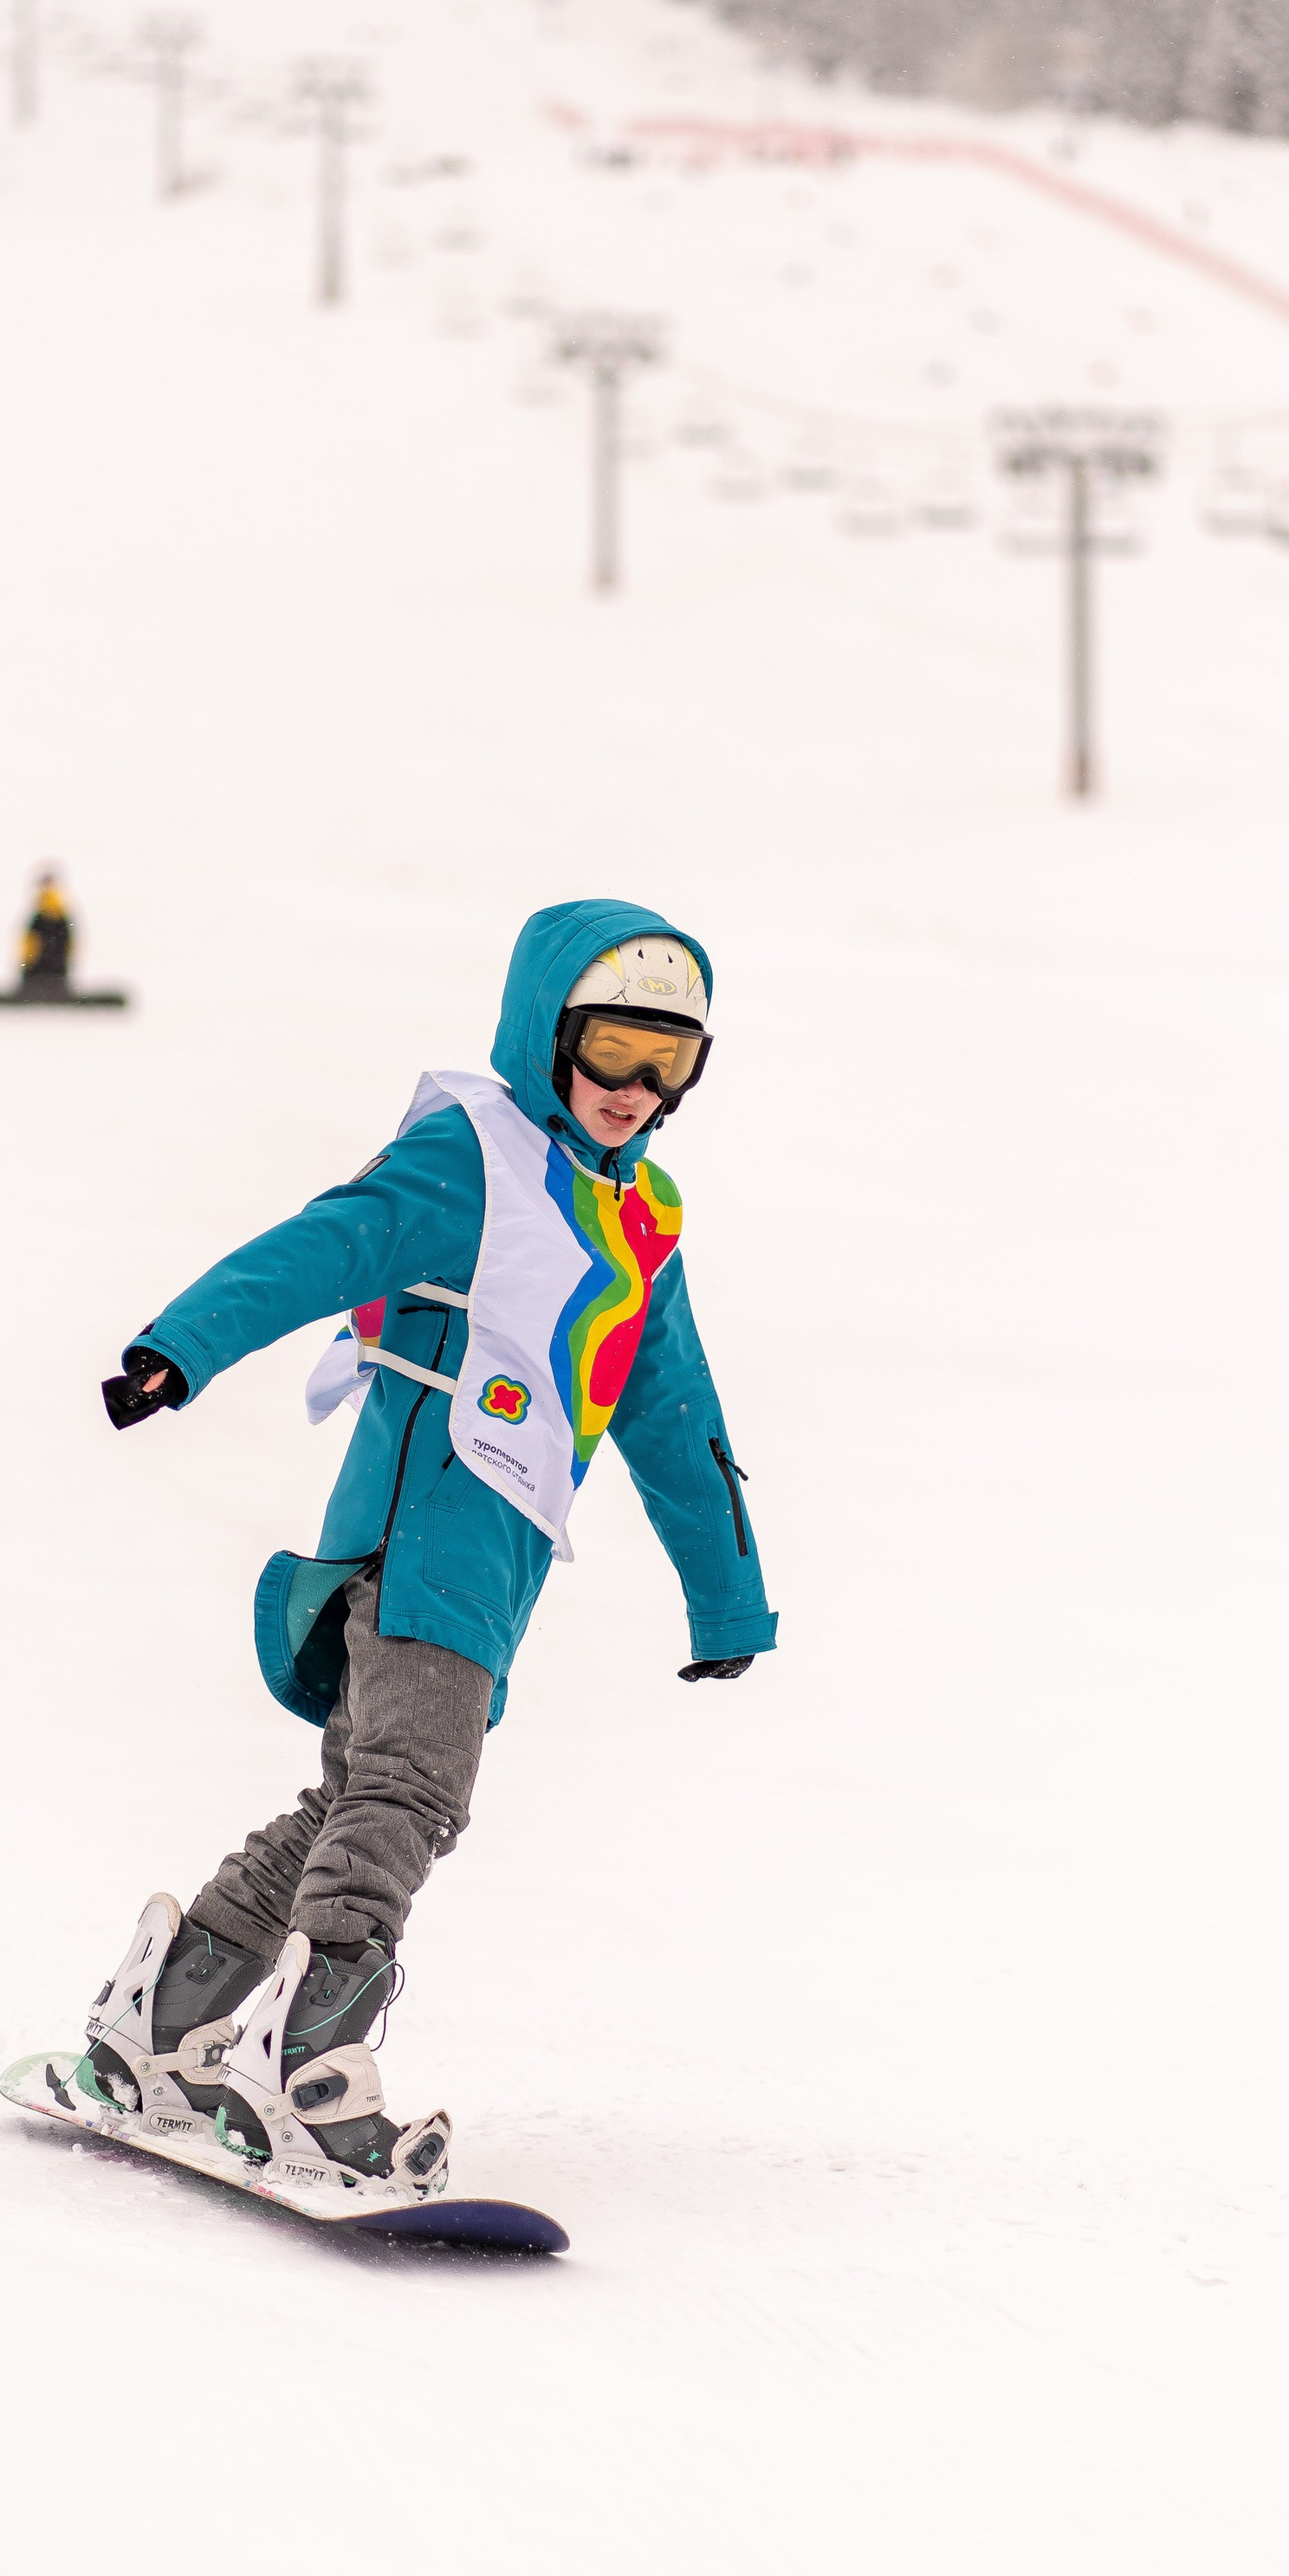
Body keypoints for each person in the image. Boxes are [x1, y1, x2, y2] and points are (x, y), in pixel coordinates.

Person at [80, 899, 776, 2210]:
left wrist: (726, 1596)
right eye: (612, 1048)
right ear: (545, 1034)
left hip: (485, 1558)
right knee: (410, 1795)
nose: (634, 1088)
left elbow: (674, 1410)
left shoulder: (638, 1216)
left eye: (668, 1060)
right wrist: (184, 1347)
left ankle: (164, 2020)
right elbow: (328, 1242)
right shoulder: (478, 1156)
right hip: (421, 1535)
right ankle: (313, 2070)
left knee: (358, 1796)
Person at [18, 871, 74, 996]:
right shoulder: (49, 909)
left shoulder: (51, 911)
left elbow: (30, 943)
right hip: (52, 972)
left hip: (44, 972)